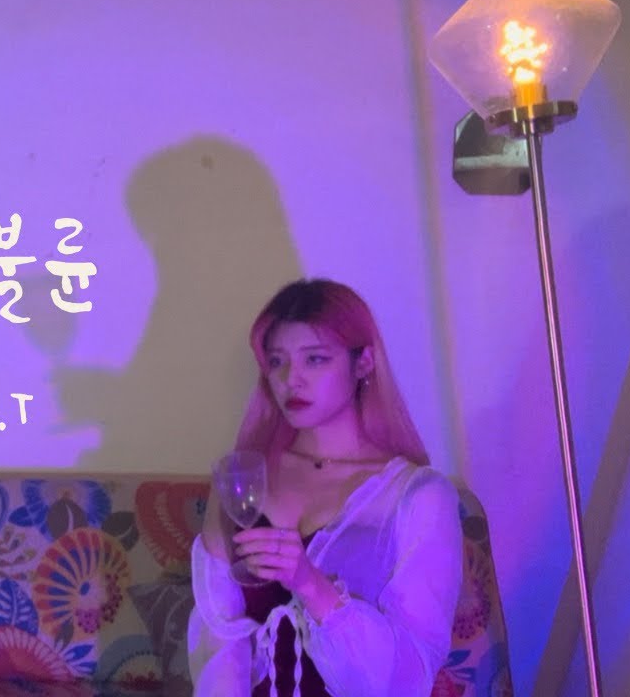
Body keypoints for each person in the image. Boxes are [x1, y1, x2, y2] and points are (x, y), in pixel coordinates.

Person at [188, 278, 463, 697]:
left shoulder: (420, 497)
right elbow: (217, 640)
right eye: (277, 362)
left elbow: (409, 676)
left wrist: (311, 584)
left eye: (314, 359)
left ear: (363, 362)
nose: (291, 379)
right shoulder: (242, 480)